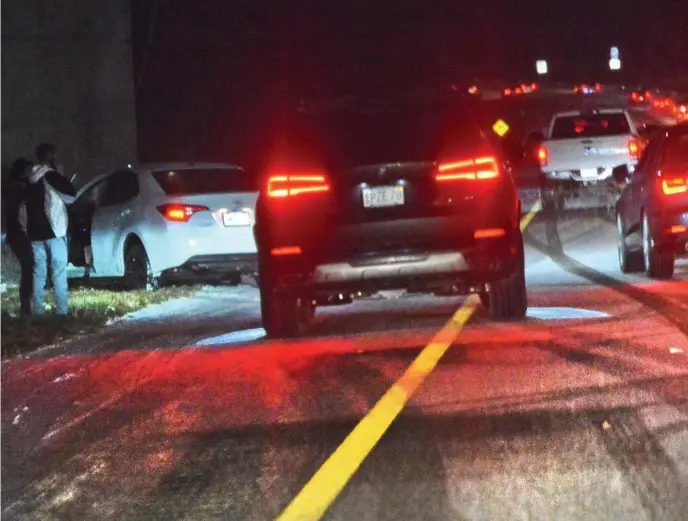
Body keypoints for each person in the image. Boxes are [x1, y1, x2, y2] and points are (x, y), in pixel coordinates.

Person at [18, 144, 76, 316]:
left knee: (39, 273)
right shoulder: (51, 176)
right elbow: (71, 197)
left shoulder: (29, 180)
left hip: (34, 233)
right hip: (54, 231)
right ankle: (61, 312)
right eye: (54, 156)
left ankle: (38, 312)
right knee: (58, 270)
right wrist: (62, 175)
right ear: (50, 156)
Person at [3, 158, 34, 316]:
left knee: (28, 269)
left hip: (16, 234)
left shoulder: (14, 188)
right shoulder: (20, 188)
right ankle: (25, 307)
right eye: (29, 170)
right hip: (19, 234)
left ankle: (27, 305)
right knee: (29, 268)